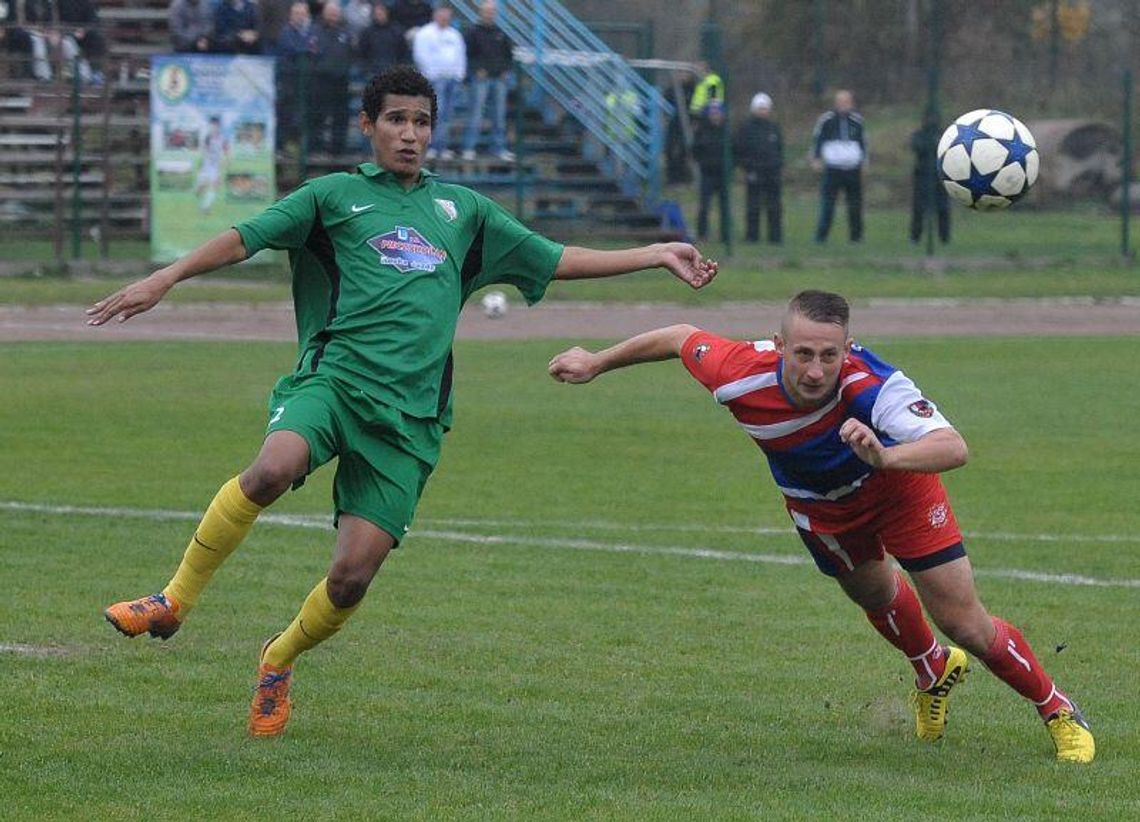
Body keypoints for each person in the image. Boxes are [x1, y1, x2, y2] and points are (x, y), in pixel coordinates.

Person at [89, 64, 718, 739]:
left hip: (410, 422)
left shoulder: (464, 213)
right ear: (368, 126)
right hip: (333, 385)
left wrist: (655, 251)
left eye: (421, 122)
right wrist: (167, 277)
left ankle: (278, 658)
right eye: (396, 120)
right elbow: (247, 237)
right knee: (271, 469)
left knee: (350, 580)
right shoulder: (332, 197)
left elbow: (555, 257)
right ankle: (173, 600)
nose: (410, 134)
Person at [547, 289, 1096, 765]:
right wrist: (597, 361)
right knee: (875, 596)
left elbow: (953, 447)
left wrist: (886, 457)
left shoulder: (872, 385)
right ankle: (931, 669)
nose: (816, 370)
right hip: (822, 510)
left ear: (847, 349)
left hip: (901, 494)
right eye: (804, 354)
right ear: (779, 346)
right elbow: (677, 336)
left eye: (829, 355)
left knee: (965, 624)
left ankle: (1058, 710)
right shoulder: (737, 373)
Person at [460, 0, 514, 162]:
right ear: (480, 12)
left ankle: (498, 148)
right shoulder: (472, 32)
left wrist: (506, 71)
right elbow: (466, 55)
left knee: (499, 116)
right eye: (487, 11)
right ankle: (469, 148)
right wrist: (476, 70)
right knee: (475, 114)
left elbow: (509, 55)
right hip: (480, 80)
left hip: (499, 80)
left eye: (492, 11)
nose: (489, 14)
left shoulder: (501, 33)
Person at [811, 89, 865, 243]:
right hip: (833, 169)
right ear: (836, 103)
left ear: (851, 103)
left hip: (853, 169)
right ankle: (821, 237)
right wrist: (816, 158)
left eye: (846, 102)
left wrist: (864, 162)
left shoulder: (857, 121)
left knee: (855, 205)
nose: (843, 104)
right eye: (841, 102)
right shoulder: (826, 120)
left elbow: (863, 143)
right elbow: (818, 139)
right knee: (828, 204)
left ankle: (856, 237)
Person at [412, 4, 465, 160]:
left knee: (447, 115)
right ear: (435, 15)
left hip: (452, 80)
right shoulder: (425, 33)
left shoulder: (454, 35)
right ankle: (430, 147)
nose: (444, 18)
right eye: (442, 15)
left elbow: (461, 55)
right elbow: (420, 56)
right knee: (435, 114)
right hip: (434, 80)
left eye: (447, 15)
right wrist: (432, 74)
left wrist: (459, 75)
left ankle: (441, 147)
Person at [735, 92, 782, 244]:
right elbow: (739, 150)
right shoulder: (746, 128)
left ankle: (775, 237)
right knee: (753, 206)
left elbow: (779, 149)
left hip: (772, 172)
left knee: (774, 206)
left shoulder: (774, 128)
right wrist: (747, 166)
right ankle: (752, 236)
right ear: (754, 109)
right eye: (760, 108)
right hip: (754, 171)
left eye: (765, 108)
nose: (763, 111)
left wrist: (778, 164)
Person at [309, 0, 353, 156]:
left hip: (341, 81)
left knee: (340, 117)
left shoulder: (345, 32)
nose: (333, 15)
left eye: (335, 12)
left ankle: (338, 150)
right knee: (318, 115)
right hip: (321, 81)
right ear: (324, 13)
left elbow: (351, 53)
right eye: (330, 12)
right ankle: (315, 149)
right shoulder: (315, 31)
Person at [274, 1, 315, 148]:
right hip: (288, 83)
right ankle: (281, 146)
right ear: (291, 15)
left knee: (302, 116)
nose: (300, 17)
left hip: (305, 82)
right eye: (297, 13)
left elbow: (316, 49)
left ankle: (299, 147)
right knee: (286, 116)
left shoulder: (311, 32)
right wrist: (307, 49)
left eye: (303, 14)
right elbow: (295, 50)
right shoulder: (285, 33)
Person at [910, 109, 950, 245]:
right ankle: (915, 237)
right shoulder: (919, 134)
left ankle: (944, 237)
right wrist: (930, 144)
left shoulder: (943, 135)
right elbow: (917, 146)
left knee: (943, 207)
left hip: (940, 175)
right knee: (919, 207)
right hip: (922, 174)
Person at [693, 100, 728, 243]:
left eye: (718, 113)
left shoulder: (726, 131)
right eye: (713, 113)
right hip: (707, 173)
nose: (715, 116)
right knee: (704, 205)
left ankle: (725, 235)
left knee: (725, 206)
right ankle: (702, 234)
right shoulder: (702, 131)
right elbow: (694, 150)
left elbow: (735, 150)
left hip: (723, 174)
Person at [356, 2, 409, 78]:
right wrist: (367, 69)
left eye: (381, 13)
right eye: (377, 14)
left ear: (387, 13)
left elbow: (403, 51)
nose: (379, 16)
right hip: (373, 72)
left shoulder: (397, 31)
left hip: (394, 71)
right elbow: (362, 53)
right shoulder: (367, 32)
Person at [194, 115, 229, 213]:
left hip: (216, 167)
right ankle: (199, 193)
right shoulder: (207, 137)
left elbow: (226, 150)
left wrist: (225, 160)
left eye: (216, 125)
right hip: (206, 166)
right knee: (199, 189)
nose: (213, 128)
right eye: (212, 125)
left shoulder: (222, 138)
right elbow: (203, 150)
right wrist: (204, 159)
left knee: (215, 186)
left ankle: (205, 207)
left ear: (219, 126)